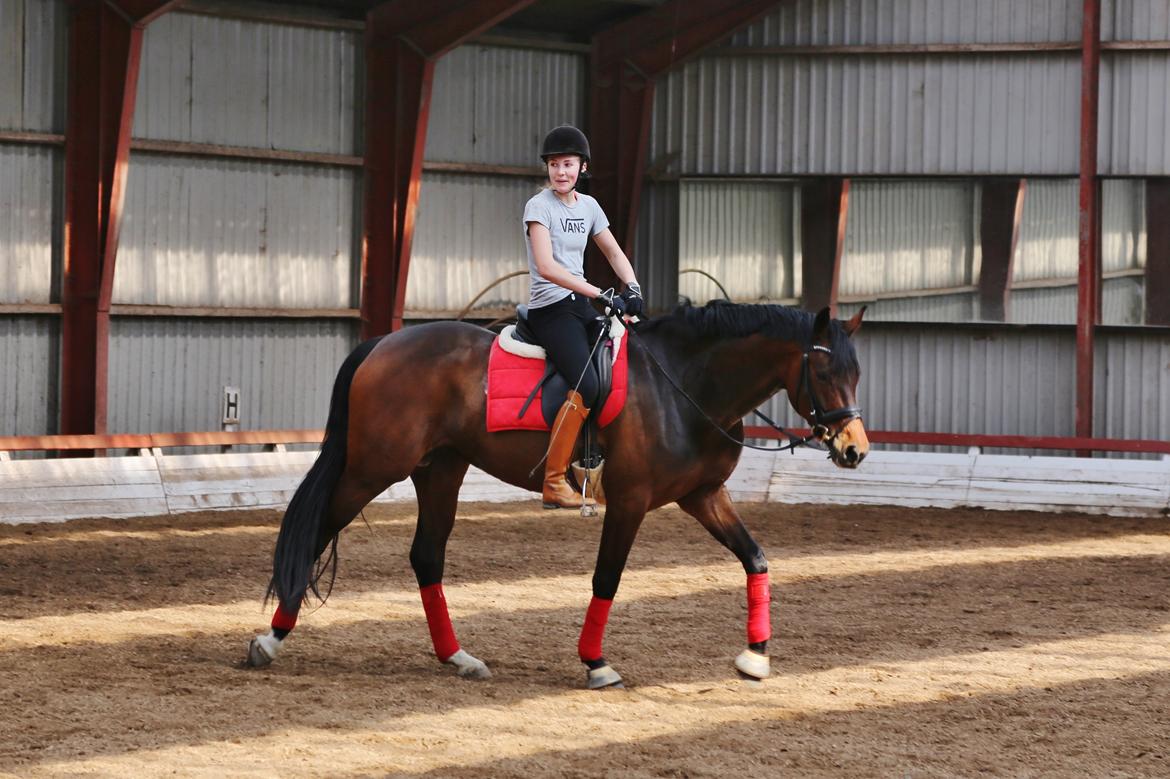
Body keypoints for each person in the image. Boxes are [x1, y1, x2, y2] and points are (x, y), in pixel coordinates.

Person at [523, 125, 644, 509]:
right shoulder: (538, 207)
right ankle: (554, 481)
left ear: (582, 167)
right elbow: (546, 266)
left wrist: (633, 286)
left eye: (568, 164)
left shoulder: (589, 208)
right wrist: (600, 293)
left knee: (619, 368)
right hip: (550, 309)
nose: (561, 172)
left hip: (579, 305)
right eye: (555, 165)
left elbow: (612, 251)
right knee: (588, 384)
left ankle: (596, 466)